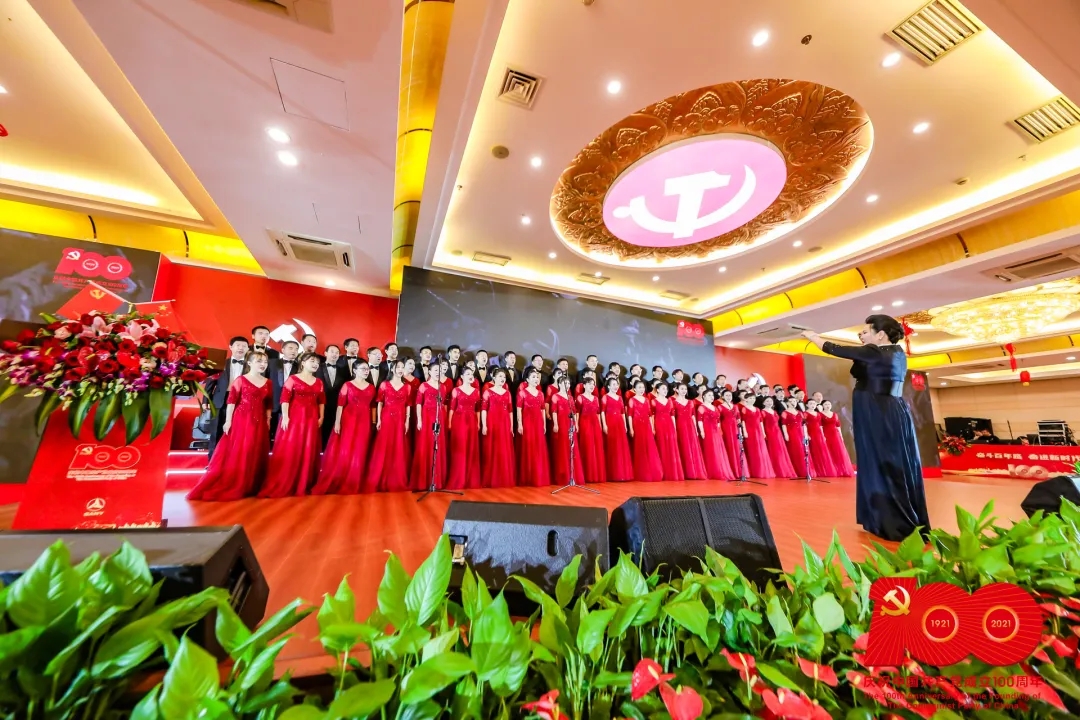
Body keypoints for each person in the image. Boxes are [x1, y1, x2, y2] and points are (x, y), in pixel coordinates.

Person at [803, 316, 931, 540]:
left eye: (865, 331)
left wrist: (812, 336)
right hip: (889, 410)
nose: (861, 335)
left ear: (880, 334)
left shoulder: (876, 352)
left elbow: (835, 349)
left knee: (883, 462)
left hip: (878, 412)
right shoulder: (896, 353)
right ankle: (883, 518)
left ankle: (894, 521)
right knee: (888, 462)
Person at [188, 349, 271, 501]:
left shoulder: (268, 382)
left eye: (265, 362)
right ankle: (238, 483)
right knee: (241, 449)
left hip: (259, 420)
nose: (263, 364)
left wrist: (268, 419)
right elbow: (232, 401)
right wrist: (228, 421)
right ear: (249, 362)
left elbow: (268, 404)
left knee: (255, 449)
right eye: (259, 361)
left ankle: (252, 484)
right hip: (242, 418)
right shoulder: (240, 380)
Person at [258, 352, 325, 497]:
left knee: (309, 448)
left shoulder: (319, 382)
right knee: (292, 447)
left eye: (317, 362)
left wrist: (321, 417)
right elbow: (285, 399)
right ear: (303, 363)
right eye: (312, 361)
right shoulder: (293, 379)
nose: (315, 364)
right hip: (294, 417)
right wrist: (286, 417)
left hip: (312, 418)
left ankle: (305, 482)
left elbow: (321, 401)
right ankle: (287, 480)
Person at [311, 360, 375, 495]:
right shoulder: (347, 385)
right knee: (346, 447)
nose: (366, 371)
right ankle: (343, 477)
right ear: (355, 370)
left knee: (361, 448)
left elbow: (373, 406)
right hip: (348, 419)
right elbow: (340, 405)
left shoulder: (371, 387)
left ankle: (356, 478)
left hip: (364, 420)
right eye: (363, 369)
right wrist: (337, 422)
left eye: (367, 369)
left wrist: (374, 421)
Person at [366, 360, 412, 492]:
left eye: (402, 367)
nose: (400, 369)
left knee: (399, 446)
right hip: (386, 417)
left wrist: (407, 421)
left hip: (401, 418)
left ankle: (396, 478)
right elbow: (380, 402)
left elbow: (408, 405)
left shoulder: (407, 386)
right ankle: (381, 477)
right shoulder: (384, 384)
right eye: (398, 367)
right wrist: (379, 420)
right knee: (385, 446)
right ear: (392, 369)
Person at [206, 336, 249, 459]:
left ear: (248, 349)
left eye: (244, 346)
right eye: (238, 345)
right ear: (231, 347)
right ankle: (213, 460)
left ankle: (233, 459)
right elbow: (210, 382)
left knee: (238, 430)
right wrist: (206, 400)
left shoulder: (251, 366)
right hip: (221, 399)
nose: (241, 348)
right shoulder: (221, 363)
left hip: (242, 400)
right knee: (216, 430)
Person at [412, 361, 449, 491]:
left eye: (439, 370)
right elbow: (418, 403)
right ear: (429, 372)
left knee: (438, 444)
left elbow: (443, 404)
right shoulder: (424, 385)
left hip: (440, 417)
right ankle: (424, 480)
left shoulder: (443, 387)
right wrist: (419, 420)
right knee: (426, 444)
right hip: (427, 416)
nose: (438, 373)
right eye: (435, 370)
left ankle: (437, 480)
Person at [447, 366, 481, 490]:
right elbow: (452, 408)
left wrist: (478, 423)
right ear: (462, 376)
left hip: (472, 420)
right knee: (460, 448)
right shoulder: (456, 390)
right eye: (467, 374)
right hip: (459, 420)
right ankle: (458, 478)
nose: (470, 376)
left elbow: (478, 409)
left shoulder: (476, 391)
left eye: (471, 374)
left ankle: (470, 479)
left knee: (471, 448)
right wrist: (449, 422)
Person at [481, 368, 516, 488]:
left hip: (504, 422)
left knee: (503, 449)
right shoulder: (488, 392)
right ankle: (491, 478)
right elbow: (484, 409)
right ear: (494, 378)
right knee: (492, 448)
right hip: (492, 421)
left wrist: (511, 426)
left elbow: (510, 411)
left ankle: (503, 477)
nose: (502, 379)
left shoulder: (507, 393)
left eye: (504, 377)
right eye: (500, 376)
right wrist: (484, 425)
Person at [516, 367, 551, 486]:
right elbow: (519, 410)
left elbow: (542, 410)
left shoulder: (540, 394)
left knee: (538, 448)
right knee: (529, 448)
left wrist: (544, 424)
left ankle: (538, 475)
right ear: (527, 379)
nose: (536, 379)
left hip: (538, 423)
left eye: (537, 377)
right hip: (527, 422)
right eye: (533, 377)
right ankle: (528, 476)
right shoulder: (522, 393)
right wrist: (520, 424)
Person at [550, 375, 585, 486]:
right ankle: (563, 475)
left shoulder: (570, 397)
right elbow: (554, 411)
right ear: (560, 384)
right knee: (563, 448)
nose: (568, 385)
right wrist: (556, 424)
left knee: (572, 448)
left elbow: (574, 412)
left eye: (569, 383)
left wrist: (576, 423)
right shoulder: (555, 396)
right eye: (565, 383)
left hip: (570, 424)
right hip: (561, 423)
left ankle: (573, 475)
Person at [627, 379, 664, 482]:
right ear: (634, 389)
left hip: (647, 425)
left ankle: (652, 471)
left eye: (643, 387)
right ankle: (642, 472)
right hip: (637, 425)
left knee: (649, 447)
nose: (641, 389)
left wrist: (652, 427)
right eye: (639, 387)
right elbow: (629, 415)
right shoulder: (632, 400)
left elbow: (650, 415)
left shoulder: (647, 400)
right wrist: (631, 428)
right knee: (640, 447)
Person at [697, 389, 735, 480]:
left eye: (712, 395)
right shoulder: (701, 407)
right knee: (710, 450)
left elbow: (718, 421)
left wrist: (718, 430)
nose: (711, 397)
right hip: (707, 430)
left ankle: (719, 469)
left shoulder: (715, 407)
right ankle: (712, 470)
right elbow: (699, 420)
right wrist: (702, 431)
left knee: (718, 449)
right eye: (709, 395)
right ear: (704, 396)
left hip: (715, 431)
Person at [600, 376, 633, 481]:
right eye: (613, 384)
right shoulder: (605, 397)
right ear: (609, 386)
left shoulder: (620, 398)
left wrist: (625, 425)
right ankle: (613, 474)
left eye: (617, 384)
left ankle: (622, 473)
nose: (616, 386)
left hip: (619, 423)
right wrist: (604, 425)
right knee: (612, 447)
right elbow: (602, 412)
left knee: (621, 447)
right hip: (610, 422)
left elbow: (623, 412)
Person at [575, 376, 606, 483]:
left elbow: (598, 413)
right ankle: (587, 474)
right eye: (589, 384)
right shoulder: (580, 397)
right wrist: (576, 424)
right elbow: (577, 412)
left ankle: (596, 474)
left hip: (595, 424)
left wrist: (600, 425)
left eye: (593, 384)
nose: (592, 386)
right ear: (584, 385)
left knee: (596, 448)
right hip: (585, 423)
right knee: (587, 447)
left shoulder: (596, 398)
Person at [672, 383, 707, 480]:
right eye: (682, 389)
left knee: (692, 447)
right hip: (680, 425)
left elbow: (693, 416)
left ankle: (694, 471)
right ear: (677, 390)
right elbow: (673, 416)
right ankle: (685, 472)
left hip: (690, 426)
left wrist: (695, 429)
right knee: (683, 447)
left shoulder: (690, 402)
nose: (684, 391)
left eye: (685, 389)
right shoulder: (673, 402)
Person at [650, 382, 684, 482]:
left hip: (669, 425)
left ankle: (672, 471)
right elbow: (652, 416)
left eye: (666, 389)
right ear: (658, 390)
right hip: (659, 424)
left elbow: (672, 415)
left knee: (671, 447)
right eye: (663, 389)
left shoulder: (670, 401)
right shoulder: (653, 401)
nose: (665, 391)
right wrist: (653, 427)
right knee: (661, 445)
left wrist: (674, 427)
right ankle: (662, 471)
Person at [738, 390, 775, 479]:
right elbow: (743, 421)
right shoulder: (744, 409)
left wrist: (763, 432)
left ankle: (763, 470)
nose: (752, 400)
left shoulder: (757, 409)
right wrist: (744, 431)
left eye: (753, 398)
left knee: (761, 449)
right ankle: (754, 471)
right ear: (746, 399)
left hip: (758, 430)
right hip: (749, 430)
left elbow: (761, 421)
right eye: (750, 398)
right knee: (752, 450)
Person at [317, 344, 346, 448]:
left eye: (337, 352)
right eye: (332, 352)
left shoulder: (343, 370)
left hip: (337, 405)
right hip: (319, 404)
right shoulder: (317, 367)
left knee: (334, 431)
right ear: (325, 353)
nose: (334, 354)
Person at [761, 396, 796, 478]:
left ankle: (783, 468)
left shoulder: (775, 411)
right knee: (773, 450)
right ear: (764, 403)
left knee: (780, 450)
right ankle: (775, 469)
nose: (769, 403)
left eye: (770, 401)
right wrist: (764, 433)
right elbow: (761, 423)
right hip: (769, 432)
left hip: (777, 432)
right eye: (767, 401)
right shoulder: (762, 412)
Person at [716, 389, 749, 477]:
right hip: (725, 428)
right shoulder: (720, 407)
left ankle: (739, 470)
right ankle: (730, 470)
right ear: (722, 397)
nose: (728, 397)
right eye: (726, 395)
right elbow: (718, 420)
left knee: (737, 447)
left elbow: (738, 419)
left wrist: (740, 431)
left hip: (735, 428)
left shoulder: (735, 406)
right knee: (728, 447)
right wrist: (720, 430)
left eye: (730, 395)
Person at [820, 399, 855, 477]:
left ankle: (840, 469)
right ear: (822, 406)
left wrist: (841, 436)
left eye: (829, 404)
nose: (827, 406)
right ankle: (831, 469)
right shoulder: (820, 414)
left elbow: (838, 425)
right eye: (826, 404)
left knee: (838, 451)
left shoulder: (834, 414)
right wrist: (822, 436)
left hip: (835, 434)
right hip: (826, 434)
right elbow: (820, 426)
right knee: (829, 451)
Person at [803, 399, 838, 478]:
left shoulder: (818, 414)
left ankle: (823, 470)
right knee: (813, 451)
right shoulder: (805, 413)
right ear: (807, 405)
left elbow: (820, 425)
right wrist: (806, 434)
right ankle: (815, 470)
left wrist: (822, 435)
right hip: (811, 433)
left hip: (818, 433)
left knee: (821, 451)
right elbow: (804, 425)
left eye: (814, 403)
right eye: (810, 403)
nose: (812, 405)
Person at [781, 397, 809, 477]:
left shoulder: (800, 412)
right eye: (790, 401)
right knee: (795, 450)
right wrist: (786, 434)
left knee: (803, 450)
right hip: (792, 433)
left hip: (801, 433)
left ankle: (805, 470)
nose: (793, 402)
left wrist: (806, 434)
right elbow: (783, 424)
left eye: (794, 401)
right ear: (787, 403)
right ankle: (796, 470)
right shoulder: (785, 412)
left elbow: (804, 424)